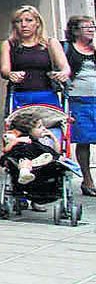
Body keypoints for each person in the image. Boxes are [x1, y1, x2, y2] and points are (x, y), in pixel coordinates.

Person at [0, 5, 68, 111]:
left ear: (37, 23)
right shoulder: (8, 44)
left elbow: (65, 68)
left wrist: (62, 74)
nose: (24, 25)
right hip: (19, 95)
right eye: (19, 21)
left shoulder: (50, 43)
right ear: (14, 25)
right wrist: (11, 74)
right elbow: (4, 70)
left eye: (29, 20)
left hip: (47, 95)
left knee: (51, 126)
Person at [63, 15, 96, 197]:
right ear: (75, 30)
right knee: (83, 141)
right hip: (79, 100)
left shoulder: (94, 49)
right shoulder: (68, 49)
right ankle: (87, 180)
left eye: (93, 27)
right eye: (86, 27)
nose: (91, 30)